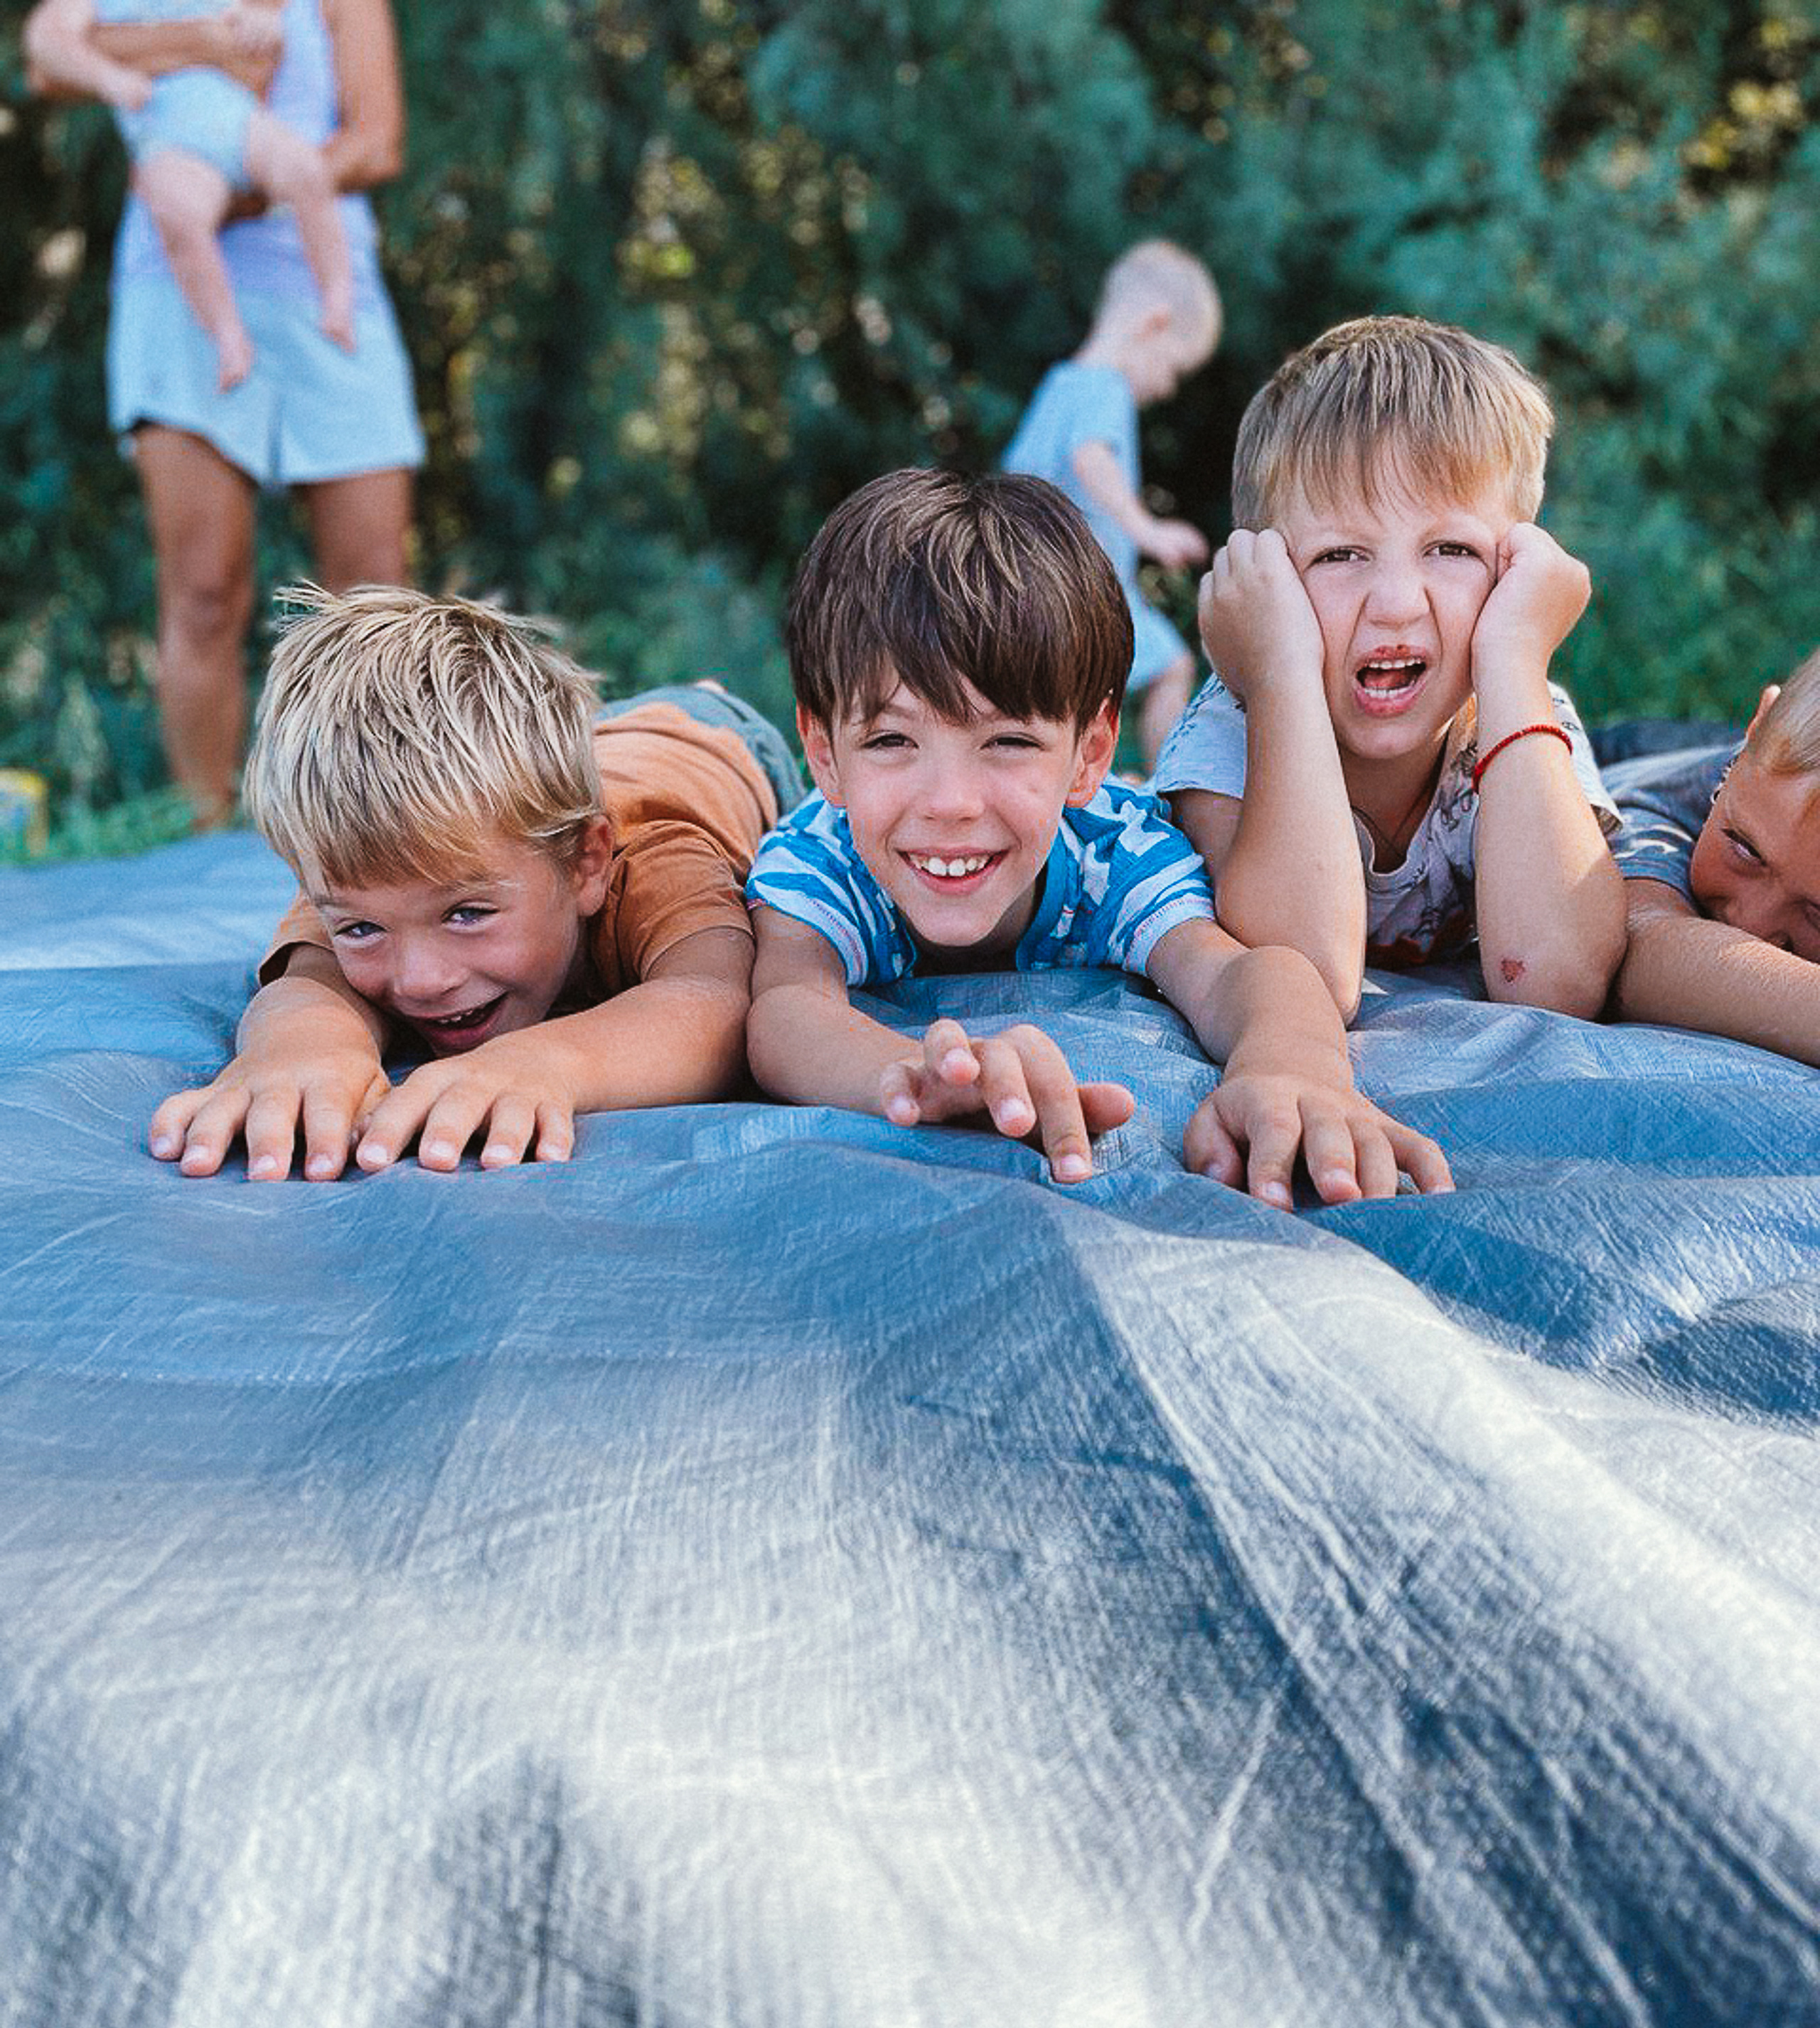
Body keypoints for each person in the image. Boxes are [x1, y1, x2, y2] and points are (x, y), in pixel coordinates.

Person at [744, 468, 1452, 1207]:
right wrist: (908, 1075)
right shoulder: (820, 860)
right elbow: (788, 1009)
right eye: (891, 740)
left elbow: (1244, 973)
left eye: (1008, 742)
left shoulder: (1110, 850)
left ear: (1089, 753)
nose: (949, 803)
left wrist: (1292, 1068)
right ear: (823, 755)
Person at [148, 585, 798, 1179]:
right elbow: (307, 988)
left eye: (466, 914)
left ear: (585, 866)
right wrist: (302, 1050)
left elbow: (717, 1003)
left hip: (712, 740)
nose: (422, 980)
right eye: (363, 929)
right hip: (559, 784)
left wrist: (545, 1064)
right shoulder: (372, 864)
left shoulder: (654, 856)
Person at [1152, 314, 1627, 1021]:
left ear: (1515, 569)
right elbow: (1307, 983)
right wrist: (1280, 669)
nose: (1398, 603)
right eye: (1340, 554)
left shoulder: (1518, 701)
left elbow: (1553, 982)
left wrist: (1515, 657)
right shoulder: (1232, 728)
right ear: (1268, 580)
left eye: (1452, 550)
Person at [23, 0, 423, 830]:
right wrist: (201, 43)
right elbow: (47, 61)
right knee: (204, 588)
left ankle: (382, 824)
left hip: (323, 291)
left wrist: (252, 182)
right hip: (180, 298)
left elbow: (376, 139)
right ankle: (202, 832)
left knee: (375, 594)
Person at [25, 0, 355, 393]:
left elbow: (259, 28)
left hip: (237, 121)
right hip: (168, 142)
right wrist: (105, 77)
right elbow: (45, 41)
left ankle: (337, 297)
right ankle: (228, 335)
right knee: (179, 221)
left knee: (309, 171)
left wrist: (261, 27)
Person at [1002, 240, 1221, 774]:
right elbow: (1090, 456)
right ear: (1154, 324)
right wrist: (1145, 529)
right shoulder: (1106, 388)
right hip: (1079, 594)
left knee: (1065, 707)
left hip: (1028, 589)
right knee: (1172, 664)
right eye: (1174, 367)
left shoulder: (1060, 384)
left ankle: (1072, 784)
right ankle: (1173, 788)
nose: (1167, 387)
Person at [1607, 649, 1820, 1063]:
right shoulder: (1658, 805)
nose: (1750, 924)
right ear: (1754, 731)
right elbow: (1629, 950)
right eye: (1744, 849)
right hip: (1631, 755)